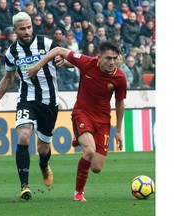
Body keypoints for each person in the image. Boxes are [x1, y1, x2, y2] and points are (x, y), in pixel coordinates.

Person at [27, 41, 127, 202]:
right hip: (82, 114)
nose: (112, 62)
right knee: (89, 152)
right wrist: (37, 67)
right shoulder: (86, 62)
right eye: (108, 58)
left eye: (115, 58)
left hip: (103, 121)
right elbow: (59, 49)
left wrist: (119, 131)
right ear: (99, 57)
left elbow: (120, 103)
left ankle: (80, 138)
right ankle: (78, 193)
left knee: (96, 168)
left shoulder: (120, 78)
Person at [0, 12, 68, 201]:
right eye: (22, 29)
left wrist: (66, 62)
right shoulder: (11, 53)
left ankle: (44, 165)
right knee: (23, 136)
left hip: (49, 102)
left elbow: (68, 59)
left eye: (29, 27)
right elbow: (8, 79)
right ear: (15, 30)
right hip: (27, 99)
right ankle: (24, 186)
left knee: (43, 148)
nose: (27, 31)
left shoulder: (46, 44)